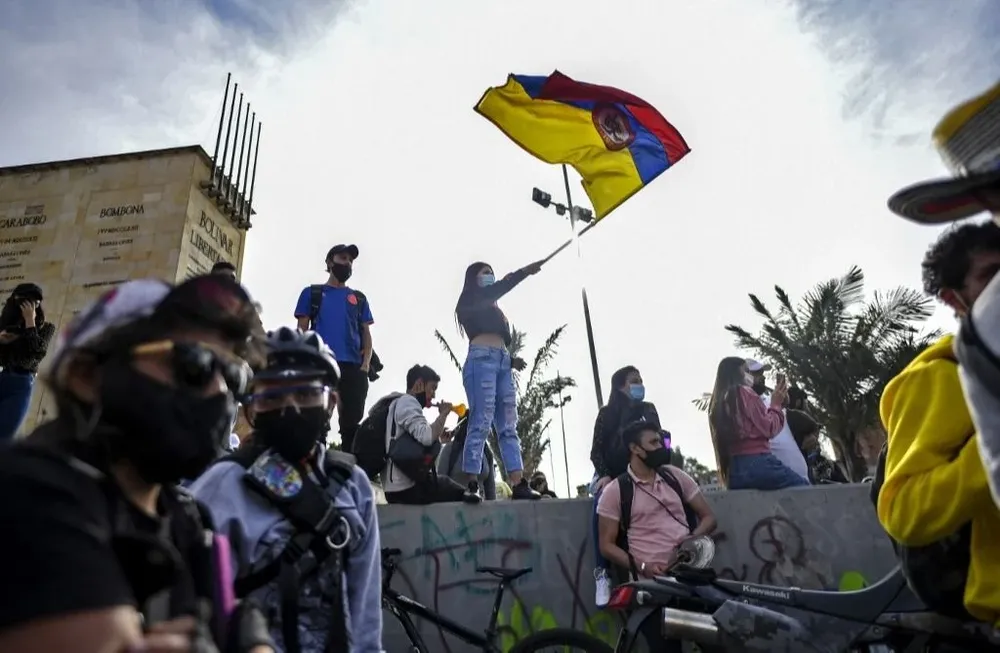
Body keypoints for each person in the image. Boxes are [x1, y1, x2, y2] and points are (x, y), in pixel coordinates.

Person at [0, 275, 274, 653]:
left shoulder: (187, 518)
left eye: (232, 374)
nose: (220, 392)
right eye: (193, 363)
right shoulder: (27, 492)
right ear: (87, 375)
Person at [190, 327, 384, 653]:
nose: (290, 407)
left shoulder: (353, 485)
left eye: (307, 394)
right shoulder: (220, 485)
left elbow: (365, 615)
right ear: (252, 408)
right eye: (273, 396)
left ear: (331, 403)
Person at [875, 220, 1000, 624]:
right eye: (990, 276)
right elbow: (904, 511)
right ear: (954, 299)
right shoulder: (937, 376)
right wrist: (989, 451)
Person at [596, 420, 716, 652]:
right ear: (635, 449)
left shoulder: (675, 477)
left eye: (660, 441)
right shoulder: (616, 491)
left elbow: (709, 518)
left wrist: (688, 543)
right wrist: (644, 566)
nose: (660, 446)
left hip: (690, 580)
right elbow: (606, 545)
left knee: (716, 644)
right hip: (651, 590)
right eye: (653, 442)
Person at [454, 259, 543, 500]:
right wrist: (524, 271)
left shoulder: (495, 309)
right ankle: (471, 484)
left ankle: (519, 483)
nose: (490, 276)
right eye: (485, 273)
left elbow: (501, 337)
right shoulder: (469, 300)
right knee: (481, 420)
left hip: (502, 361)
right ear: (473, 278)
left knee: (508, 425)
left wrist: (510, 361)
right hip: (480, 360)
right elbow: (501, 287)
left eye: (492, 272)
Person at [589, 365, 661, 605]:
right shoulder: (607, 414)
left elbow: (661, 440)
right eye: (634, 380)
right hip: (610, 473)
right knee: (601, 502)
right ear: (620, 386)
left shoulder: (648, 410)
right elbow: (596, 452)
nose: (640, 384)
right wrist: (605, 475)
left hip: (646, 470)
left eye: (641, 379)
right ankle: (602, 573)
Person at [294, 243, 375, 453]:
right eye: (342, 258)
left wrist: (365, 364)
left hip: (353, 367)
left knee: (351, 426)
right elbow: (301, 330)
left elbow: (366, 332)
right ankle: (314, 463)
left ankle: (347, 469)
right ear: (330, 262)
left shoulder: (358, 298)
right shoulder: (312, 293)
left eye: (350, 260)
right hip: (321, 363)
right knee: (316, 418)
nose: (347, 263)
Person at [383, 364, 479, 505]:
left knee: (443, 484)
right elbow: (427, 437)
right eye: (432, 388)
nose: (434, 395)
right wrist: (444, 415)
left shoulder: (397, 404)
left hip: (395, 486)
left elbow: (417, 445)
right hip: (405, 487)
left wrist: (439, 439)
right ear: (419, 384)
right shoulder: (408, 402)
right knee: (458, 492)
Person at [707, 357, 808, 490]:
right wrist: (776, 404)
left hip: (734, 469)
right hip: (758, 463)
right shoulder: (745, 393)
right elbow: (769, 428)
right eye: (746, 370)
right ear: (736, 373)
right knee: (804, 488)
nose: (749, 375)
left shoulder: (718, 403)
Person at [0, 283, 55, 441]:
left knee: (4, 437)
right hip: (3, 375)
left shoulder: (46, 328)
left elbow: (36, 354)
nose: (28, 305)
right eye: (24, 300)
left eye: (33, 302)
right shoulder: (5, 326)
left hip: (20, 383)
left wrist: (30, 322)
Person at [745, 360, 810, 483]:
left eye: (762, 373)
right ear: (745, 376)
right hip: (778, 481)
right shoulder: (745, 404)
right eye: (757, 373)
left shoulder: (772, 399)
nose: (763, 377)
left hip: (799, 477)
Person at [437, 419, 498, 501]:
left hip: (481, 507)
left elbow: (490, 488)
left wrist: (492, 509)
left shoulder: (486, 452)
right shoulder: (450, 450)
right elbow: (440, 481)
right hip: (455, 506)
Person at [785, 410, 848, 484]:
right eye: (808, 433)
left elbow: (845, 486)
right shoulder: (792, 463)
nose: (814, 438)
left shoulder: (827, 464)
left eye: (816, 431)